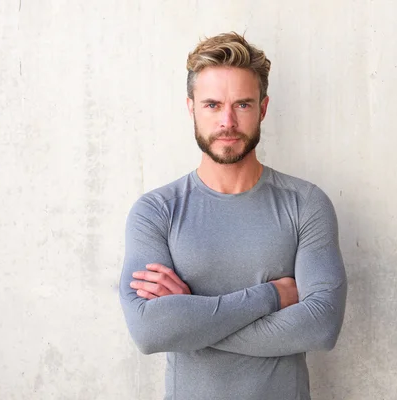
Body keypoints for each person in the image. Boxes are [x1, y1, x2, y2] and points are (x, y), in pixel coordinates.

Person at [119, 31, 347, 400]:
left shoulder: (305, 203)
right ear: (191, 107)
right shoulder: (156, 211)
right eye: (212, 105)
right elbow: (150, 333)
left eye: (242, 105)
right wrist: (272, 296)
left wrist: (193, 319)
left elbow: (320, 326)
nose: (227, 121)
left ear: (263, 108)